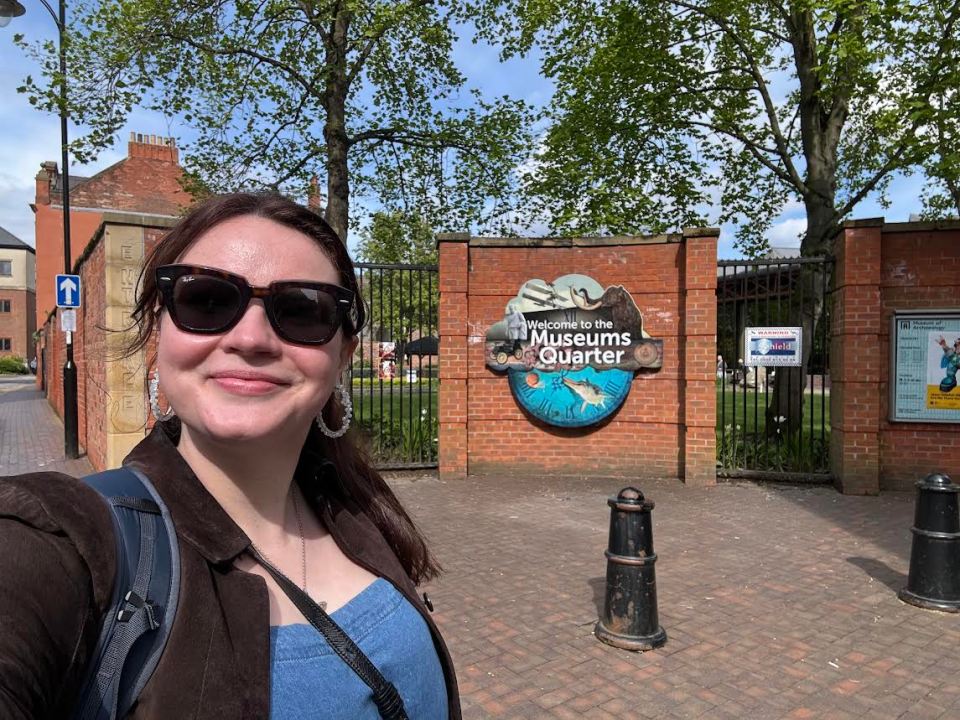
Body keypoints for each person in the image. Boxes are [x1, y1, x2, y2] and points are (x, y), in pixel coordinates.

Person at [0, 193, 458, 719]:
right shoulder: (63, 541)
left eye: (301, 309)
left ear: (342, 356)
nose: (251, 337)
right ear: (158, 330)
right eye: (208, 302)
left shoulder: (354, 505)